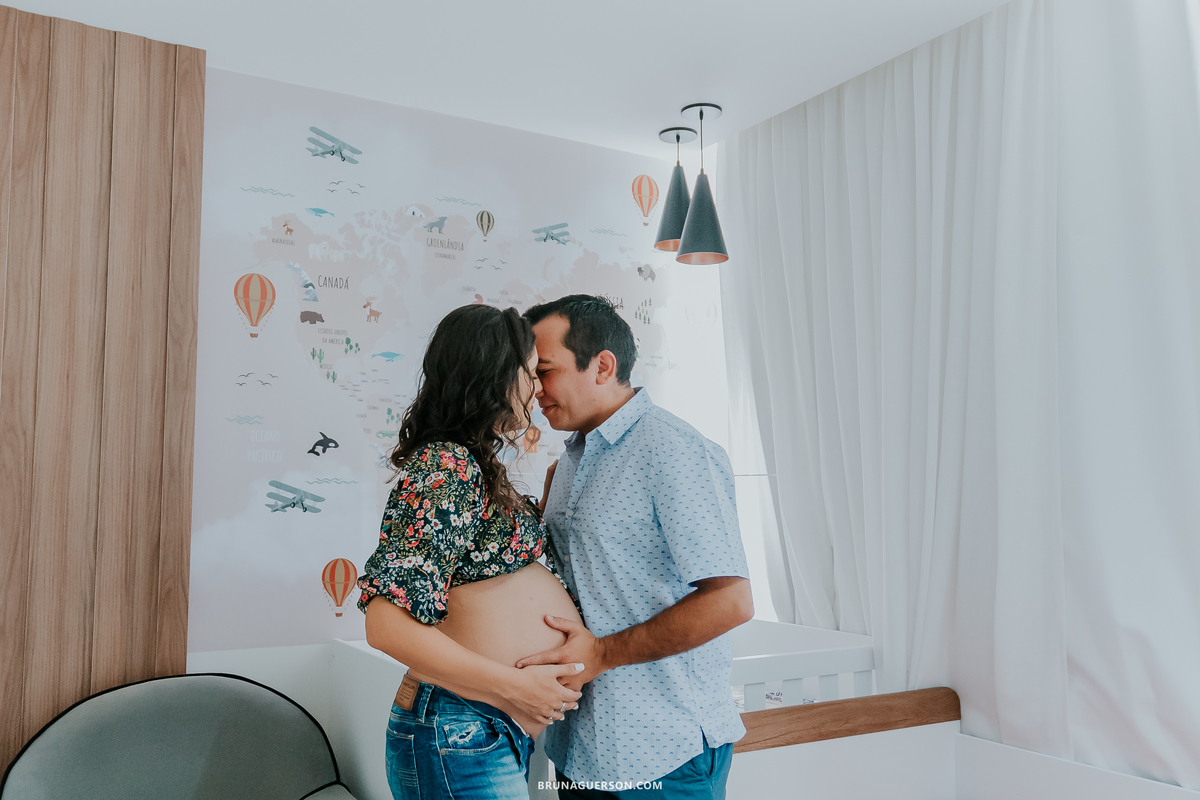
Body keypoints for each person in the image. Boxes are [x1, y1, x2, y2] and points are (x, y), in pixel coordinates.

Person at [517, 294, 753, 800]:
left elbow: (730, 600)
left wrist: (601, 654)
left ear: (602, 365)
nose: (535, 389)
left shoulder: (672, 449)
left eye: (547, 371)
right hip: (581, 745)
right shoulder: (570, 462)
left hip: (663, 749)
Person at [357, 304, 588, 800]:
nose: (537, 388)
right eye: (530, 373)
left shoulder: (473, 465)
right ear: (495, 376)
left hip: (477, 728)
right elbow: (385, 623)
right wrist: (514, 685)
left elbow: (481, 572)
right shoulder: (447, 465)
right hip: (457, 729)